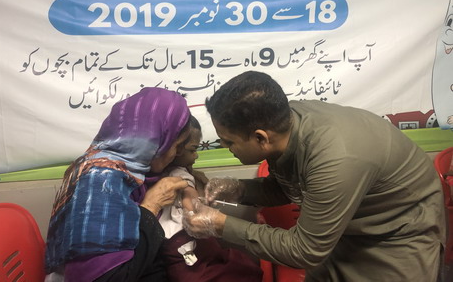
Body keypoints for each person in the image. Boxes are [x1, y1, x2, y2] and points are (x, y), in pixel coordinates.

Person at [183, 70, 447, 282]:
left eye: (229, 143)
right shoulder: (284, 122)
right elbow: (291, 186)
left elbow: (304, 251)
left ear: (261, 138)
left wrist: (219, 224)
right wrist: (239, 189)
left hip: (397, 234)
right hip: (344, 229)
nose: (228, 150)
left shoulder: (336, 158)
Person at [45, 87, 191, 282]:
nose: (177, 154)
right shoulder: (100, 181)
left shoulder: (125, 166)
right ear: (156, 140)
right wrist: (150, 207)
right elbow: (109, 278)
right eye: (176, 145)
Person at [159, 115, 263, 282]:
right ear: (175, 148)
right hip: (182, 247)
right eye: (192, 150)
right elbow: (189, 196)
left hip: (189, 244)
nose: (196, 157)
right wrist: (196, 208)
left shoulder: (179, 173)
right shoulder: (179, 175)